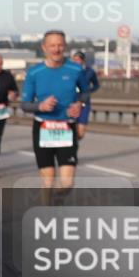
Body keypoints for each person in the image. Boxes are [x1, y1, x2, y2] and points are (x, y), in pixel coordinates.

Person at [19, 31, 90, 197]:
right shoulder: (34, 72)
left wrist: (80, 104)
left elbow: (85, 93)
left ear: (64, 46)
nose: (56, 49)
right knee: (48, 181)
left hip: (66, 127)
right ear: (44, 48)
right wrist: (41, 106)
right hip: (43, 127)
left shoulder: (75, 69)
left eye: (60, 45)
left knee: (67, 183)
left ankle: (56, 204)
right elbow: (24, 104)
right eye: (52, 45)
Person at [71, 51, 100, 139]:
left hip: (84, 102)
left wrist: (88, 91)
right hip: (71, 102)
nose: (76, 62)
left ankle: (75, 142)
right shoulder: (69, 71)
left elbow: (96, 85)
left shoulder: (90, 72)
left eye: (78, 60)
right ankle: (71, 147)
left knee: (81, 132)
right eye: (74, 60)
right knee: (71, 127)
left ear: (83, 61)